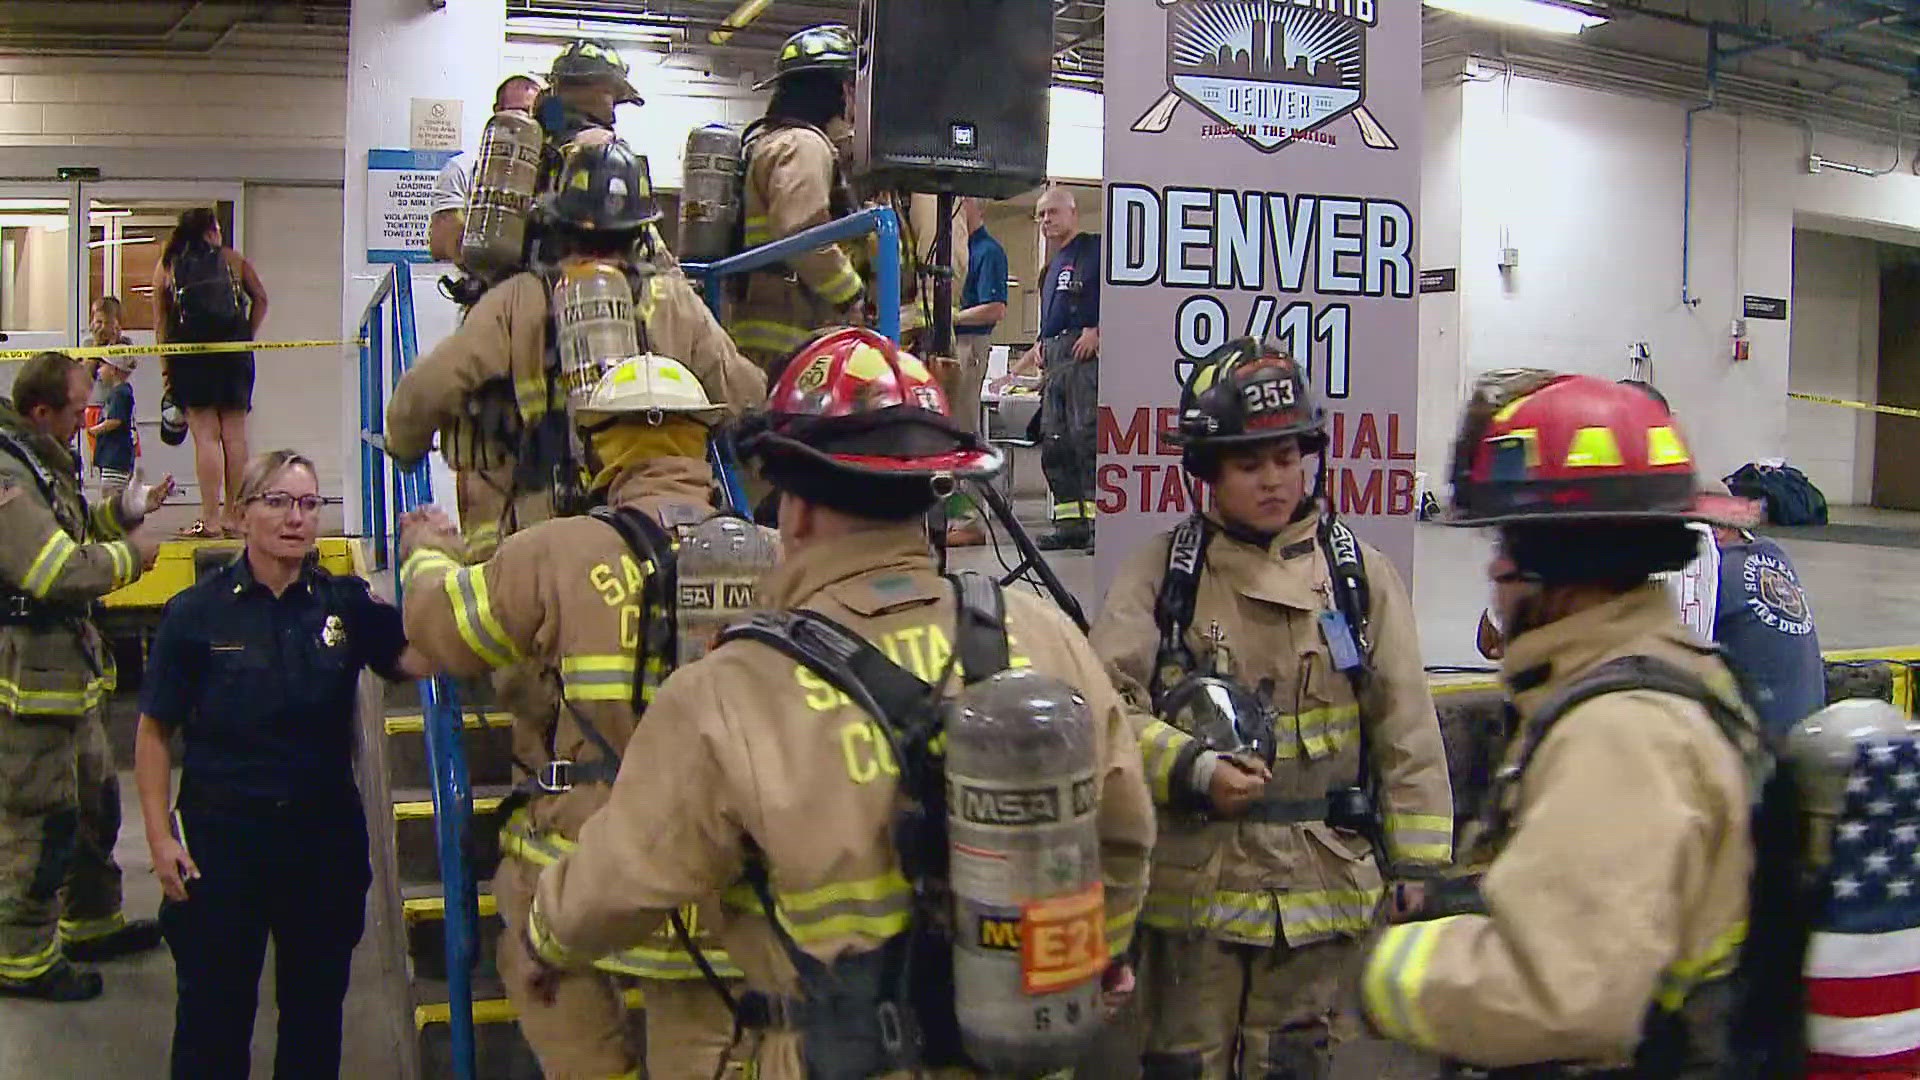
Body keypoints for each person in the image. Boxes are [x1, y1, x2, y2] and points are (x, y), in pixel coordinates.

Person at [505, 327, 1155, 1079]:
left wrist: (542, 936)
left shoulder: (730, 688)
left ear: (797, 508)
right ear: (930, 495)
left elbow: (614, 884)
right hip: (1012, 1048)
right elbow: (1126, 831)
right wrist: (1079, 962)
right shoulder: (1043, 635)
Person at [1361, 371, 1764, 1074]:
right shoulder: (1673, 675)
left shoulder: (1618, 732)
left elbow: (1559, 994)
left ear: (1551, 567)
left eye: (1506, 549)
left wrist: (1387, 967)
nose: (1496, 571)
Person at [1090, 339, 1454, 1078]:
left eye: (1287, 458)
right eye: (1250, 464)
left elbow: (1406, 727)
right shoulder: (1164, 574)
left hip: (1318, 892)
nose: (1275, 481)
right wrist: (1190, 768)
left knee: (1293, 1063)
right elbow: (1104, 711)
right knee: (1182, 1062)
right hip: (1196, 893)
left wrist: (1420, 865)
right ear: (1209, 472)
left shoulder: (1357, 577)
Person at [398, 351, 750, 1080]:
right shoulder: (774, 558)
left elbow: (440, 631)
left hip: (576, 876)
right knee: (708, 1049)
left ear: (597, 446)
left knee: (550, 994)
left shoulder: (556, 550)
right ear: (699, 442)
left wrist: (427, 557)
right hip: (716, 885)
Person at [134, 449, 432, 1079]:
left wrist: (429, 564)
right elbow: (155, 731)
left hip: (320, 845)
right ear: (242, 515)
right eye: (277, 502)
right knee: (213, 1020)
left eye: (308, 504)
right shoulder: (195, 614)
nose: (296, 518)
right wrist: (160, 840)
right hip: (223, 847)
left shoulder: (346, 604)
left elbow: (419, 660)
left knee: (314, 1019)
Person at [387, 139, 765, 562]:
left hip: (544, 535)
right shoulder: (675, 300)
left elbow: (425, 389)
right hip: (652, 530)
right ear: (641, 232)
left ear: (559, 225)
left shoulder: (519, 299)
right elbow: (744, 394)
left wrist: (405, 448)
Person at [0, 351, 171, 1001]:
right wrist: (130, 559)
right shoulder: (7, 472)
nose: (85, 421)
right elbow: (54, 570)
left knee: (95, 805)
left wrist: (125, 510)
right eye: (77, 411)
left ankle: (91, 921)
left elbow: (71, 528)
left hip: (66, 673)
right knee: (38, 818)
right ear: (42, 412)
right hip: (27, 682)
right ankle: (20, 955)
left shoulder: (43, 459)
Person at [728, 24, 866, 371]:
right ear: (844, 90)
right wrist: (852, 294)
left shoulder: (772, 142)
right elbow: (802, 235)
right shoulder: (804, 145)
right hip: (790, 340)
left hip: (768, 334)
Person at [152, 207, 268, 539]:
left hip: (191, 359)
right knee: (234, 438)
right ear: (211, 232)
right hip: (234, 356)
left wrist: (166, 369)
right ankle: (234, 516)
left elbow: (160, 324)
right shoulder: (232, 260)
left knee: (206, 438)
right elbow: (261, 298)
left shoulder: (167, 265)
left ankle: (210, 519)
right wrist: (246, 336)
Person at [1004, 185, 1098, 551]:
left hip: (1083, 358)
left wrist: (1099, 330)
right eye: (1041, 215)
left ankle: (1097, 527)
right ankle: (1069, 523)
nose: (1045, 220)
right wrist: (1039, 348)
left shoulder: (1092, 250)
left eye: (1052, 213)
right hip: (1055, 357)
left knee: (1085, 437)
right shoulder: (1053, 265)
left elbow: (1120, 295)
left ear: (1073, 214)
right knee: (1056, 443)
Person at [1700, 477, 1825, 740]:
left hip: (1761, 755)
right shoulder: (1774, 553)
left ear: (1714, 529)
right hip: (1805, 735)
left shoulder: (1716, 573)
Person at [942, 197, 1008, 548]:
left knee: (963, 434)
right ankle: (948, 516)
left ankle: (968, 520)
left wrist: (950, 317)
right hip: (952, 344)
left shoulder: (988, 251)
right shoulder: (956, 251)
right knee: (945, 434)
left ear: (976, 207)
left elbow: (996, 309)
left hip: (969, 345)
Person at [428, 75, 544, 265]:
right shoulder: (462, 168)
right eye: (520, 111)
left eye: (534, 113)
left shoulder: (551, 169)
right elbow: (440, 243)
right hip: (481, 287)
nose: (527, 120)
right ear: (498, 111)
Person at [86, 353, 138, 503]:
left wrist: (94, 430)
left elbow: (115, 421)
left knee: (111, 496)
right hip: (112, 455)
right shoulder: (118, 392)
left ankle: (115, 524)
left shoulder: (120, 393)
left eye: (103, 366)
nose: (99, 370)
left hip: (115, 456)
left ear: (114, 370)